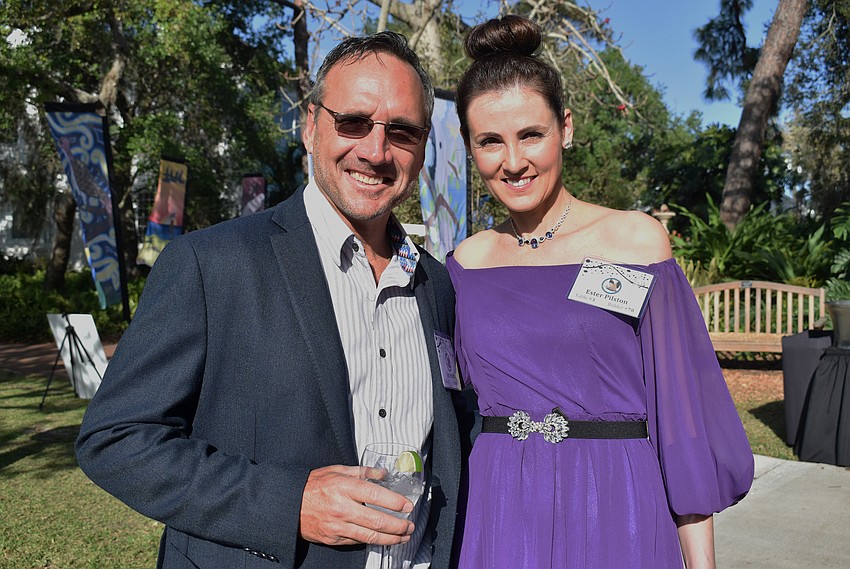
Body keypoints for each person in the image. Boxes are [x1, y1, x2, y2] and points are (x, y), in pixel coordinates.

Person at [76, 31, 469, 569]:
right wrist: (290, 504)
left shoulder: (438, 285)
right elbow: (116, 439)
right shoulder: (210, 264)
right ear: (310, 125)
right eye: (352, 122)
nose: (375, 151)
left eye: (401, 131)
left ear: (424, 146)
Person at [446, 15, 754, 569]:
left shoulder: (633, 241)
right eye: (490, 141)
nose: (512, 162)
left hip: (618, 512)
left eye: (531, 135)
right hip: (500, 517)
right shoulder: (466, 264)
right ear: (469, 146)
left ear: (565, 128)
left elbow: (680, 416)